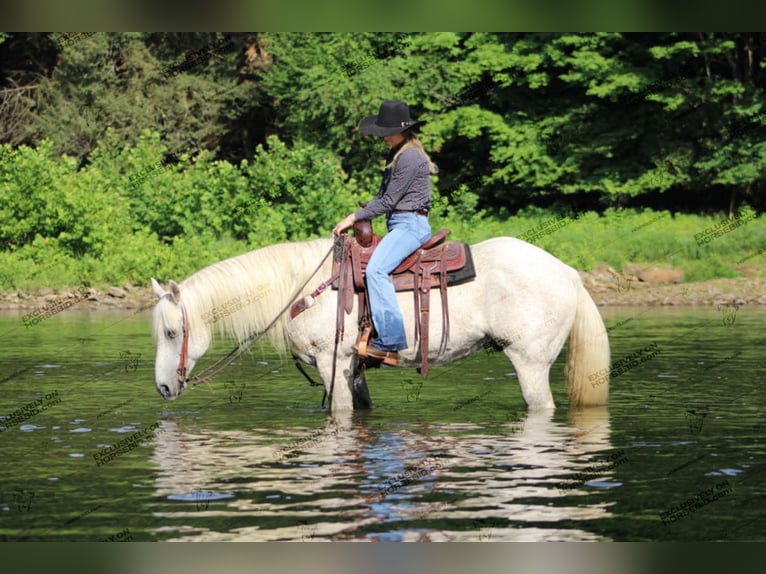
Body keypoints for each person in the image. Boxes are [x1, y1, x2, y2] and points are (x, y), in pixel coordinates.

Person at [333, 100, 437, 366]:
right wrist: (366, 210)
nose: (384, 138)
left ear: (404, 131)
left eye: (388, 132)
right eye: (383, 132)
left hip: (410, 225)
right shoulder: (397, 155)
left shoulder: (410, 157)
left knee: (376, 270)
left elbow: (388, 202)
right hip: (400, 223)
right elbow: (382, 197)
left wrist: (352, 217)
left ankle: (390, 340)